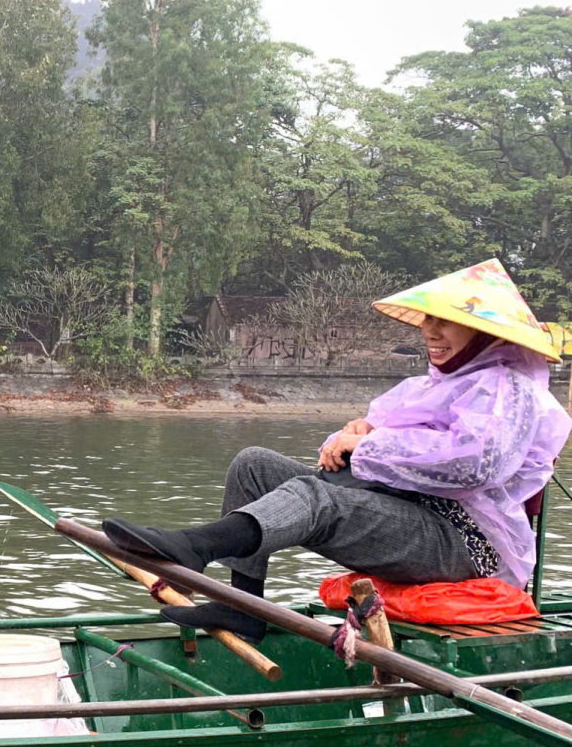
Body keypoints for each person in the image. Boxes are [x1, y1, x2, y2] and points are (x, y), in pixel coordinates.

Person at [103, 259, 571, 640]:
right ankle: (242, 607)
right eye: (430, 318)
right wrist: (348, 439)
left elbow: (473, 464)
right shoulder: (430, 385)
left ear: (487, 334)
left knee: (316, 497)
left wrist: (367, 445)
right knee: (255, 466)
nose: (431, 331)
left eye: (449, 323)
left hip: (465, 544)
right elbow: (372, 436)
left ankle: (195, 547)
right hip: (408, 514)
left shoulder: (509, 389)